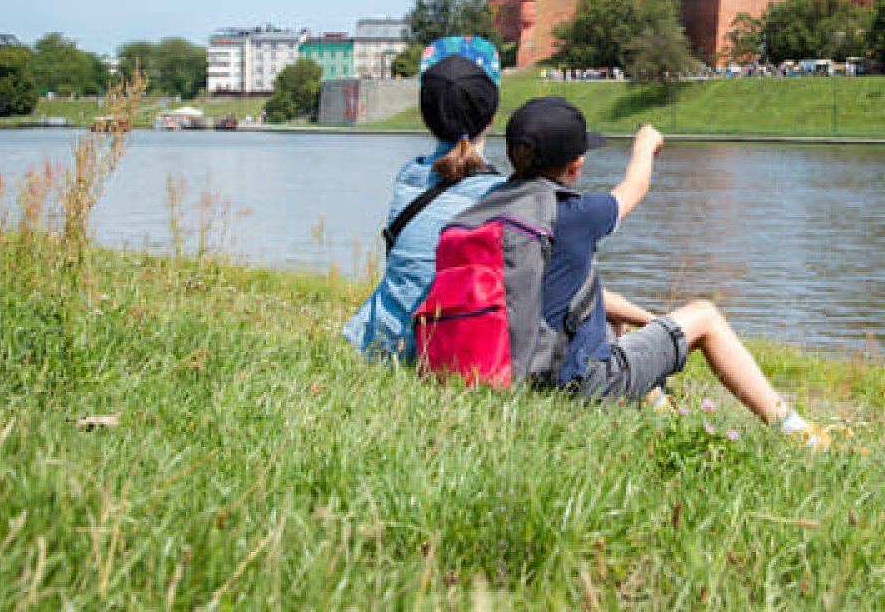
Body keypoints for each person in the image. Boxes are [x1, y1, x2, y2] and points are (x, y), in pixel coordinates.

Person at [504, 96, 826, 444]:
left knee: (613, 318)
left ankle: (655, 403)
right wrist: (645, 146)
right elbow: (634, 189)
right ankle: (797, 433)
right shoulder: (577, 213)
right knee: (705, 317)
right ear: (577, 164)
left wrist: (652, 320)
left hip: (517, 373)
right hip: (577, 385)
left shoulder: (494, 207)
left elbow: (579, 294)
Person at [343, 36, 505, 361]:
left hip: (377, 345)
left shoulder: (409, 177)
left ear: (425, 117)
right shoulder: (501, 196)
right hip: (444, 351)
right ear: (492, 115)